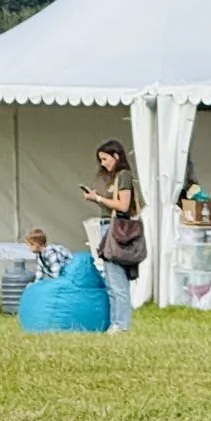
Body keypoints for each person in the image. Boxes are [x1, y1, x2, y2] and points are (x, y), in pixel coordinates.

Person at [82, 139, 143, 331]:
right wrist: (98, 199)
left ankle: (121, 324)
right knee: (111, 280)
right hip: (108, 227)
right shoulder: (117, 178)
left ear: (116, 156)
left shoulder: (124, 175)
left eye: (105, 158)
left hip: (115, 230)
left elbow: (123, 206)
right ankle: (115, 323)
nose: (103, 163)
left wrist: (99, 198)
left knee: (117, 281)